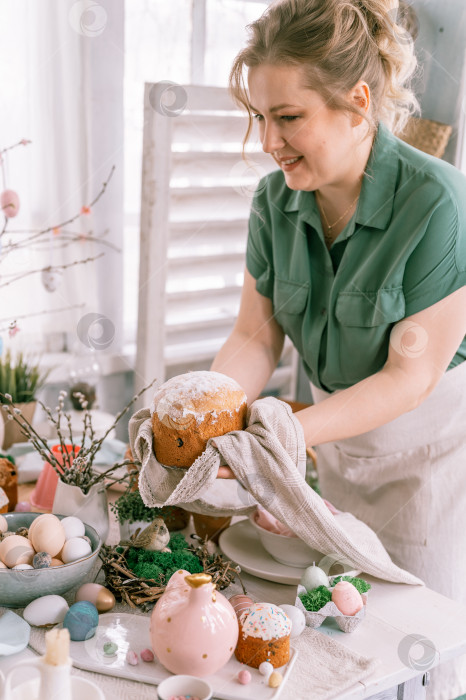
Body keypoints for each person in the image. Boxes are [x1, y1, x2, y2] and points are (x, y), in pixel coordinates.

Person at [210, 0, 466, 697]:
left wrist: (285, 429)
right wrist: (210, 408)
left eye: (288, 117)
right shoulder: (274, 202)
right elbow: (255, 336)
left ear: (357, 103)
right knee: (342, 639)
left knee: (425, 655)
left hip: (433, 466)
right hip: (337, 454)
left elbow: (409, 377)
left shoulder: (438, 204)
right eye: (260, 117)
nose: (268, 139)